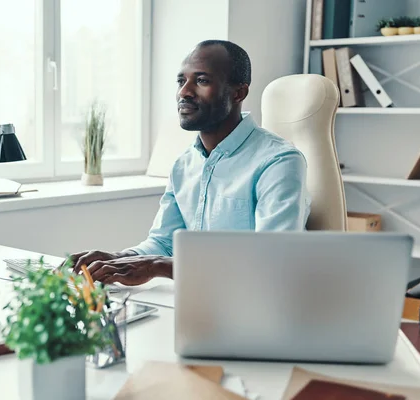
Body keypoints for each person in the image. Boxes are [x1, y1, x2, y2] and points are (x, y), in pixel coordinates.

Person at [66, 40, 311, 286]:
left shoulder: (279, 162)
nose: (184, 92)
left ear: (238, 93)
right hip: (194, 299)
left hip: (254, 306)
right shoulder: (184, 165)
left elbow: (271, 261)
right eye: (181, 81)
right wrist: (120, 258)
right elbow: (163, 242)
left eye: (201, 81)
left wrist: (157, 266)